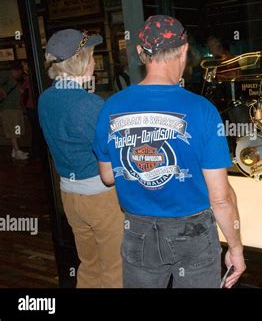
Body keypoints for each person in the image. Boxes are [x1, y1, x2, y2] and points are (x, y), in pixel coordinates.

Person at [93, 15, 246, 288]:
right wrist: (236, 248)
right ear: (185, 50)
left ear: (141, 53)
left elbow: (107, 176)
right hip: (193, 232)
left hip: (137, 230)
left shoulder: (111, 106)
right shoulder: (203, 110)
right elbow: (220, 198)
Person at [38, 29, 124, 288]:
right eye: (91, 56)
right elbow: (114, 152)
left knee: (89, 266)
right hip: (100, 197)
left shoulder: (45, 99)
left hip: (70, 196)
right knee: (114, 270)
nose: (94, 63)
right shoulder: (90, 104)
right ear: (81, 62)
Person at [0, 62, 29, 160]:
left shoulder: (13, 80)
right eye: (19, 72)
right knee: (13, 129)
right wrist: (2, 91)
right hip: (9, 109)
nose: (20, 74)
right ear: (15, 71)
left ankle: (15, 150)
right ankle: (17, 151)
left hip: (15, 109)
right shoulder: (6, 75)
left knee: (17, 129)